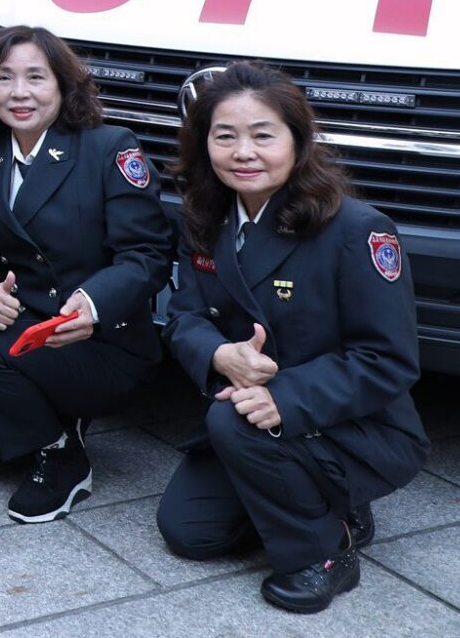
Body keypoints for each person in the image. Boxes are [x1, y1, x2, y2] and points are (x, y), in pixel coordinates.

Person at [156, 61, 427, 615]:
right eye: (224, 136)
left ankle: (326, 551)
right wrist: (218, 353)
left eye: (263, 136)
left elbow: (388, 360)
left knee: (230, 420)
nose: (243, 152)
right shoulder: (206, 217)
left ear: (299, 142)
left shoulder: (357, 230)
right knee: (190, 532)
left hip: (354, 426)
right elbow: (184, 318)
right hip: (253, 422)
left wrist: (284, 396)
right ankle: (322, 498)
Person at [0, 25, 173, 525]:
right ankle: (52, 419)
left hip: (95, 341)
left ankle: (61, 455)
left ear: (63, 84)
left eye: (36, 77)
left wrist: (94, 304)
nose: (19, 92)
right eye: (4, 77)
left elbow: (148, 254)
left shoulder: (108, 148)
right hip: (14, 332)